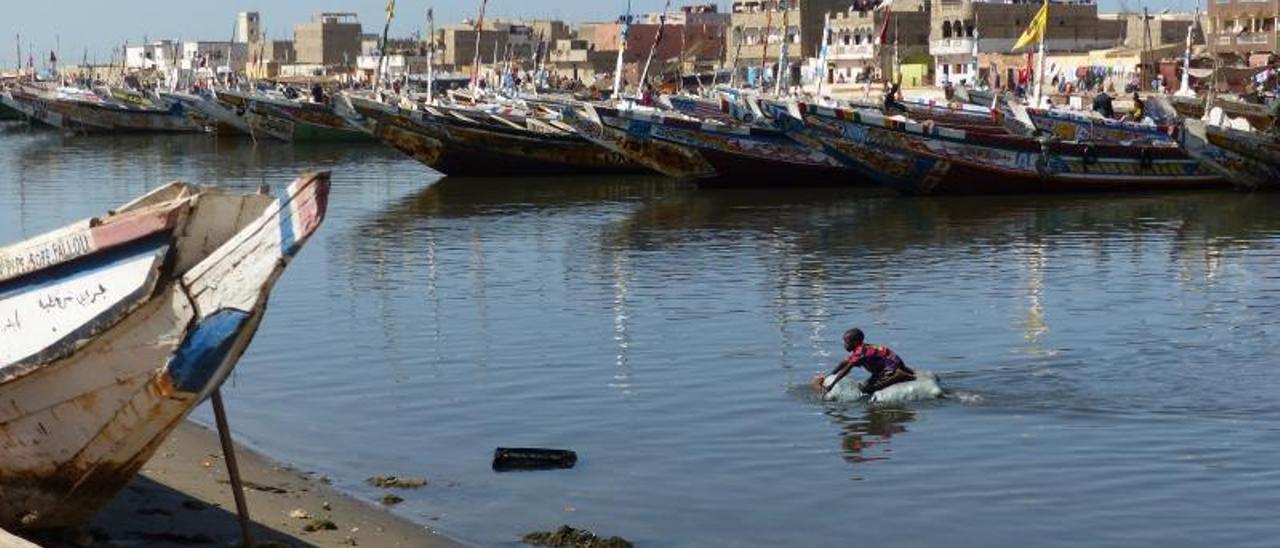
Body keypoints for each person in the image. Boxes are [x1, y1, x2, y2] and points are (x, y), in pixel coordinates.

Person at [812, 328, 917, 397]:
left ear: (855, 342)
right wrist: (830, 375)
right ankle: (903, 371)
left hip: (889, 369)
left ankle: (898, 376)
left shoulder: (860, 353)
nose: (844, 345)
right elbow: (844, 362)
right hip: (891, 364)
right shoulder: (861, 348)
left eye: (846, 342)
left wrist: (831, 386)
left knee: (867, 390)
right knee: (864, 383)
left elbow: (846, 370)